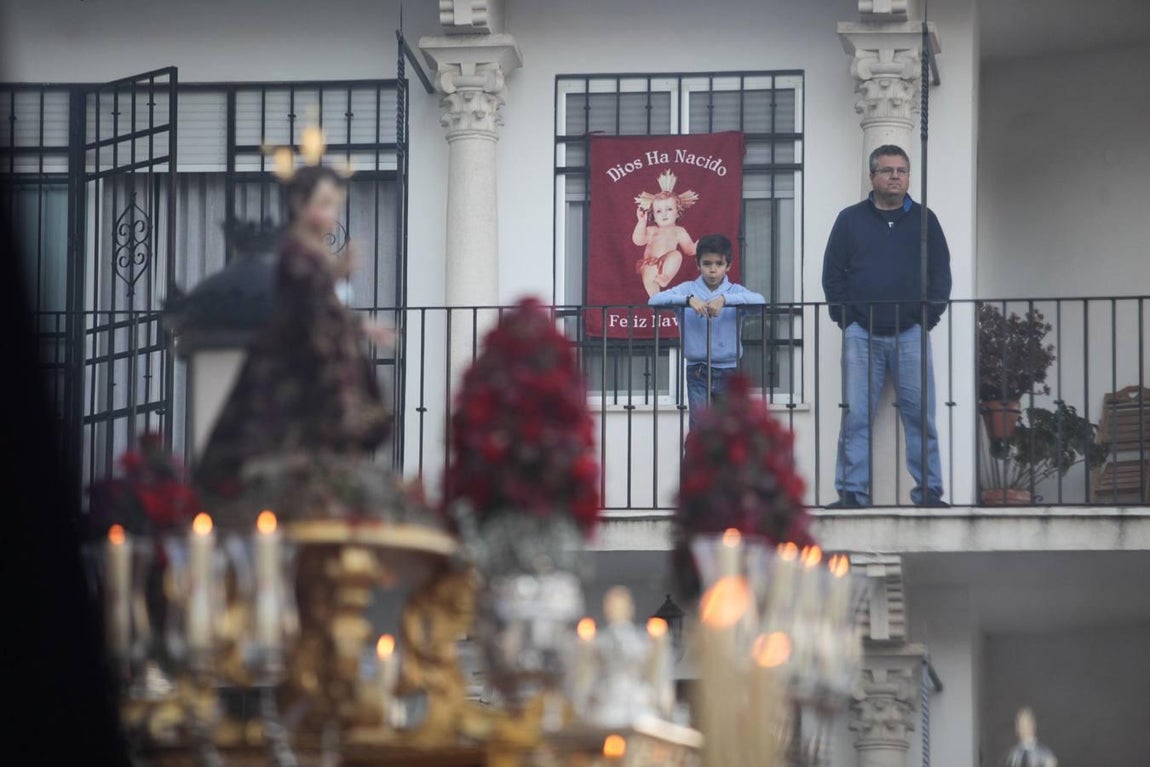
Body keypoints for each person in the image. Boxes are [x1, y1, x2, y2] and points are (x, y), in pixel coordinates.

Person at [194, 164, 393, 523]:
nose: (333, 214)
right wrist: (338, 278)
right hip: (295, 363)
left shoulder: (315, 253)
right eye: (325, 204)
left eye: (336, 205)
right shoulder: (296, 252)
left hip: (312, 358)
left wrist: (360, 323)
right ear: (299, 203)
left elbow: (325, 306)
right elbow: (309, 306)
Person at [822, 144, 952, 508]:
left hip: (910, 334)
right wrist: (846, 318)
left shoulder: (925, 221)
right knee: (856, 416)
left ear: (908, 177)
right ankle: (852, 493)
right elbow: (832, 274)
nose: (895, 177)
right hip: (861, 334)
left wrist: (927, 319)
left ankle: (929, 493)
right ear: (872, 176)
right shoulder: (850, 220)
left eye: (901, 171)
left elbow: (941, 274)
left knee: (920, 416)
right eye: (887, 170)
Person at [649, 233, 766, 428]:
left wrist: (725, 300)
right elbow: (654, 301)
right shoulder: (687, 289)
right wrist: (687, 301)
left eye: (719, 264)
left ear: (728, 266)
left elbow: (760, 302)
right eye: (707, 263)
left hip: (729, 370)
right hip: (698, 369)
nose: (713, 270)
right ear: (698, 264)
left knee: (730, 428)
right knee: (700, 427)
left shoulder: (734, 291)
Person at [633, 169, 699, 296]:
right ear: (653, 215)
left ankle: (665, 277)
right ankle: (655, 298)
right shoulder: (652, 230)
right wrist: (641, 222)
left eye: (669, 209)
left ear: (677, 212)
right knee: (649, 273)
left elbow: (689, 250)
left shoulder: (679, 231)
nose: (664, 214)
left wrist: (698, 245)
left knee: (677, 255)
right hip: (650, 263)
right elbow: (638, 241)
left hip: (667, 262)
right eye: (659, 211)